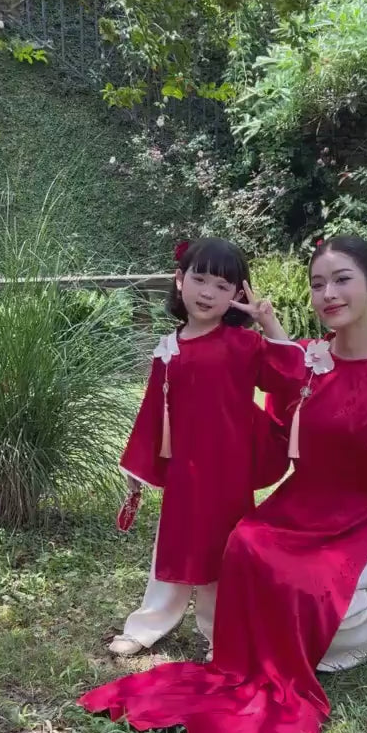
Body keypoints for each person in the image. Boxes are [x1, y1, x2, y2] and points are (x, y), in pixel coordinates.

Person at [79, 235, 367, 733]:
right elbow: (270, 440)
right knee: (244, 546)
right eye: (318, 284)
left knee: (318, 602)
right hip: (301, 509)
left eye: (343, 280)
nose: (329, 294)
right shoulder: (307, 362)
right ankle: (342, 619)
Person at [107, 237, 305, 659]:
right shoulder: (168, 349)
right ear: (180, 281)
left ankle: (222, 632)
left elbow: (290, 376)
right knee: (174, 545)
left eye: (221, 285)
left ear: (236, 296)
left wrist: (269, 324)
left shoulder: (245, 346)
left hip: (229, 468)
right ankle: (148, 624)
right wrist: (139, 467)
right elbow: (151, 411)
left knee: (226, 550)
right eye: (199, 279)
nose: (208, 293)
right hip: (185, 468)